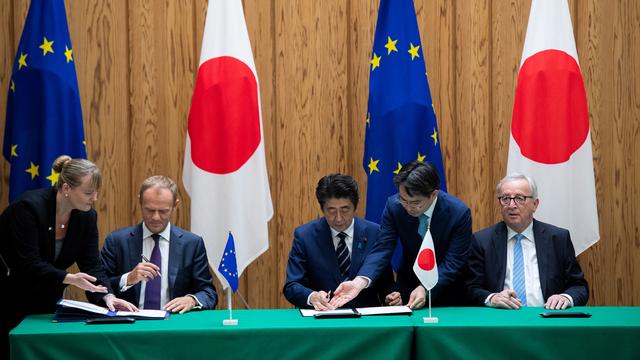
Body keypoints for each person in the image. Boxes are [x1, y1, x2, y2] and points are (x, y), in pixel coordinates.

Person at [0, 156, 136, 359]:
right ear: (66, 188)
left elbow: (92, 265)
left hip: (45, 304)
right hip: (9, 296)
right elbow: (26, 263)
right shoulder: (28, 208)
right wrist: (70, 278)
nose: (95, 198)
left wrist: (108, 297)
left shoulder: (86, 216)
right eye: (89, 192)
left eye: (97, 192)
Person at [330, 161, 472, 309]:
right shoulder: (394, 206)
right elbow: (383, 248)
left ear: (433, 194)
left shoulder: (458, 213)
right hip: (408, 290)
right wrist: (359, 282)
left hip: (447, 292)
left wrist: (425, 288)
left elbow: (454, 262)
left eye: (415, 202)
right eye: (403, 200)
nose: (408, 207)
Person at [466, 174, 588, 309]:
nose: (511, 205)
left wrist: (564, 297)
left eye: (519, 198)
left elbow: (579, 286)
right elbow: (470, 288)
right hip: (501, 319)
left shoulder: (558, 238)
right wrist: (492, 298)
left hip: (547, 319)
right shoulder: (482, 241)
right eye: (505, 199)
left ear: (535, 204)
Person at [101, 176, 217, 313]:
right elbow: (98, 288)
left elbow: (209, 293)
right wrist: (128, 279)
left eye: (163, 211)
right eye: (149, 210)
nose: (156, 217)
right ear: (140, 202)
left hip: (173, 324)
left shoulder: (191, 244)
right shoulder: (117, 241)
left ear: (175, 206)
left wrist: (191, 300)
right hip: (130, 324)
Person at [283, 174, 399, 310]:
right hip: (321, 319)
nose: (338, 218)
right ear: (322, 208)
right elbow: (292, 286)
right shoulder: (305, 236)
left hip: (365, 319)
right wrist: (312, 296)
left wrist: (390, 297)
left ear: (355, 206)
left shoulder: (375, 233)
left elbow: (385, 281)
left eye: (345, 210)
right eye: (331, 210)